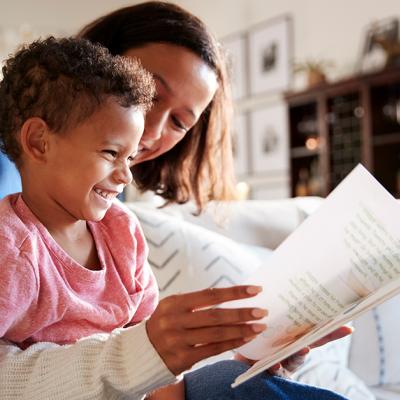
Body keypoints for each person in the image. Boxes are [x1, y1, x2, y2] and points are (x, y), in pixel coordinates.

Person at [0, 5, 351, 400]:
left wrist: (252, 363)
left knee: (239, 385)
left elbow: (157, 375)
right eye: (147, 89)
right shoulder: (15, 245)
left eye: (180, 122)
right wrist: (143, 353)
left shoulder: (119, 228)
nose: (150, 129)